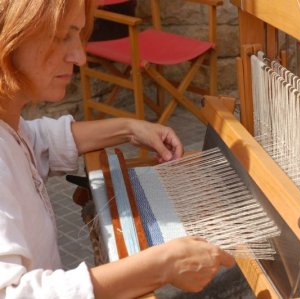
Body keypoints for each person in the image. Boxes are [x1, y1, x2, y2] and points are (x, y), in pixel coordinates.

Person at [0, 0, 235, 298]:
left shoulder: (8, 123)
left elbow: (37, 140)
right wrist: (161, 265)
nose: (79, 56)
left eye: (78, 35)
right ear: (9, 34)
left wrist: (128, 128)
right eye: (62, 36)